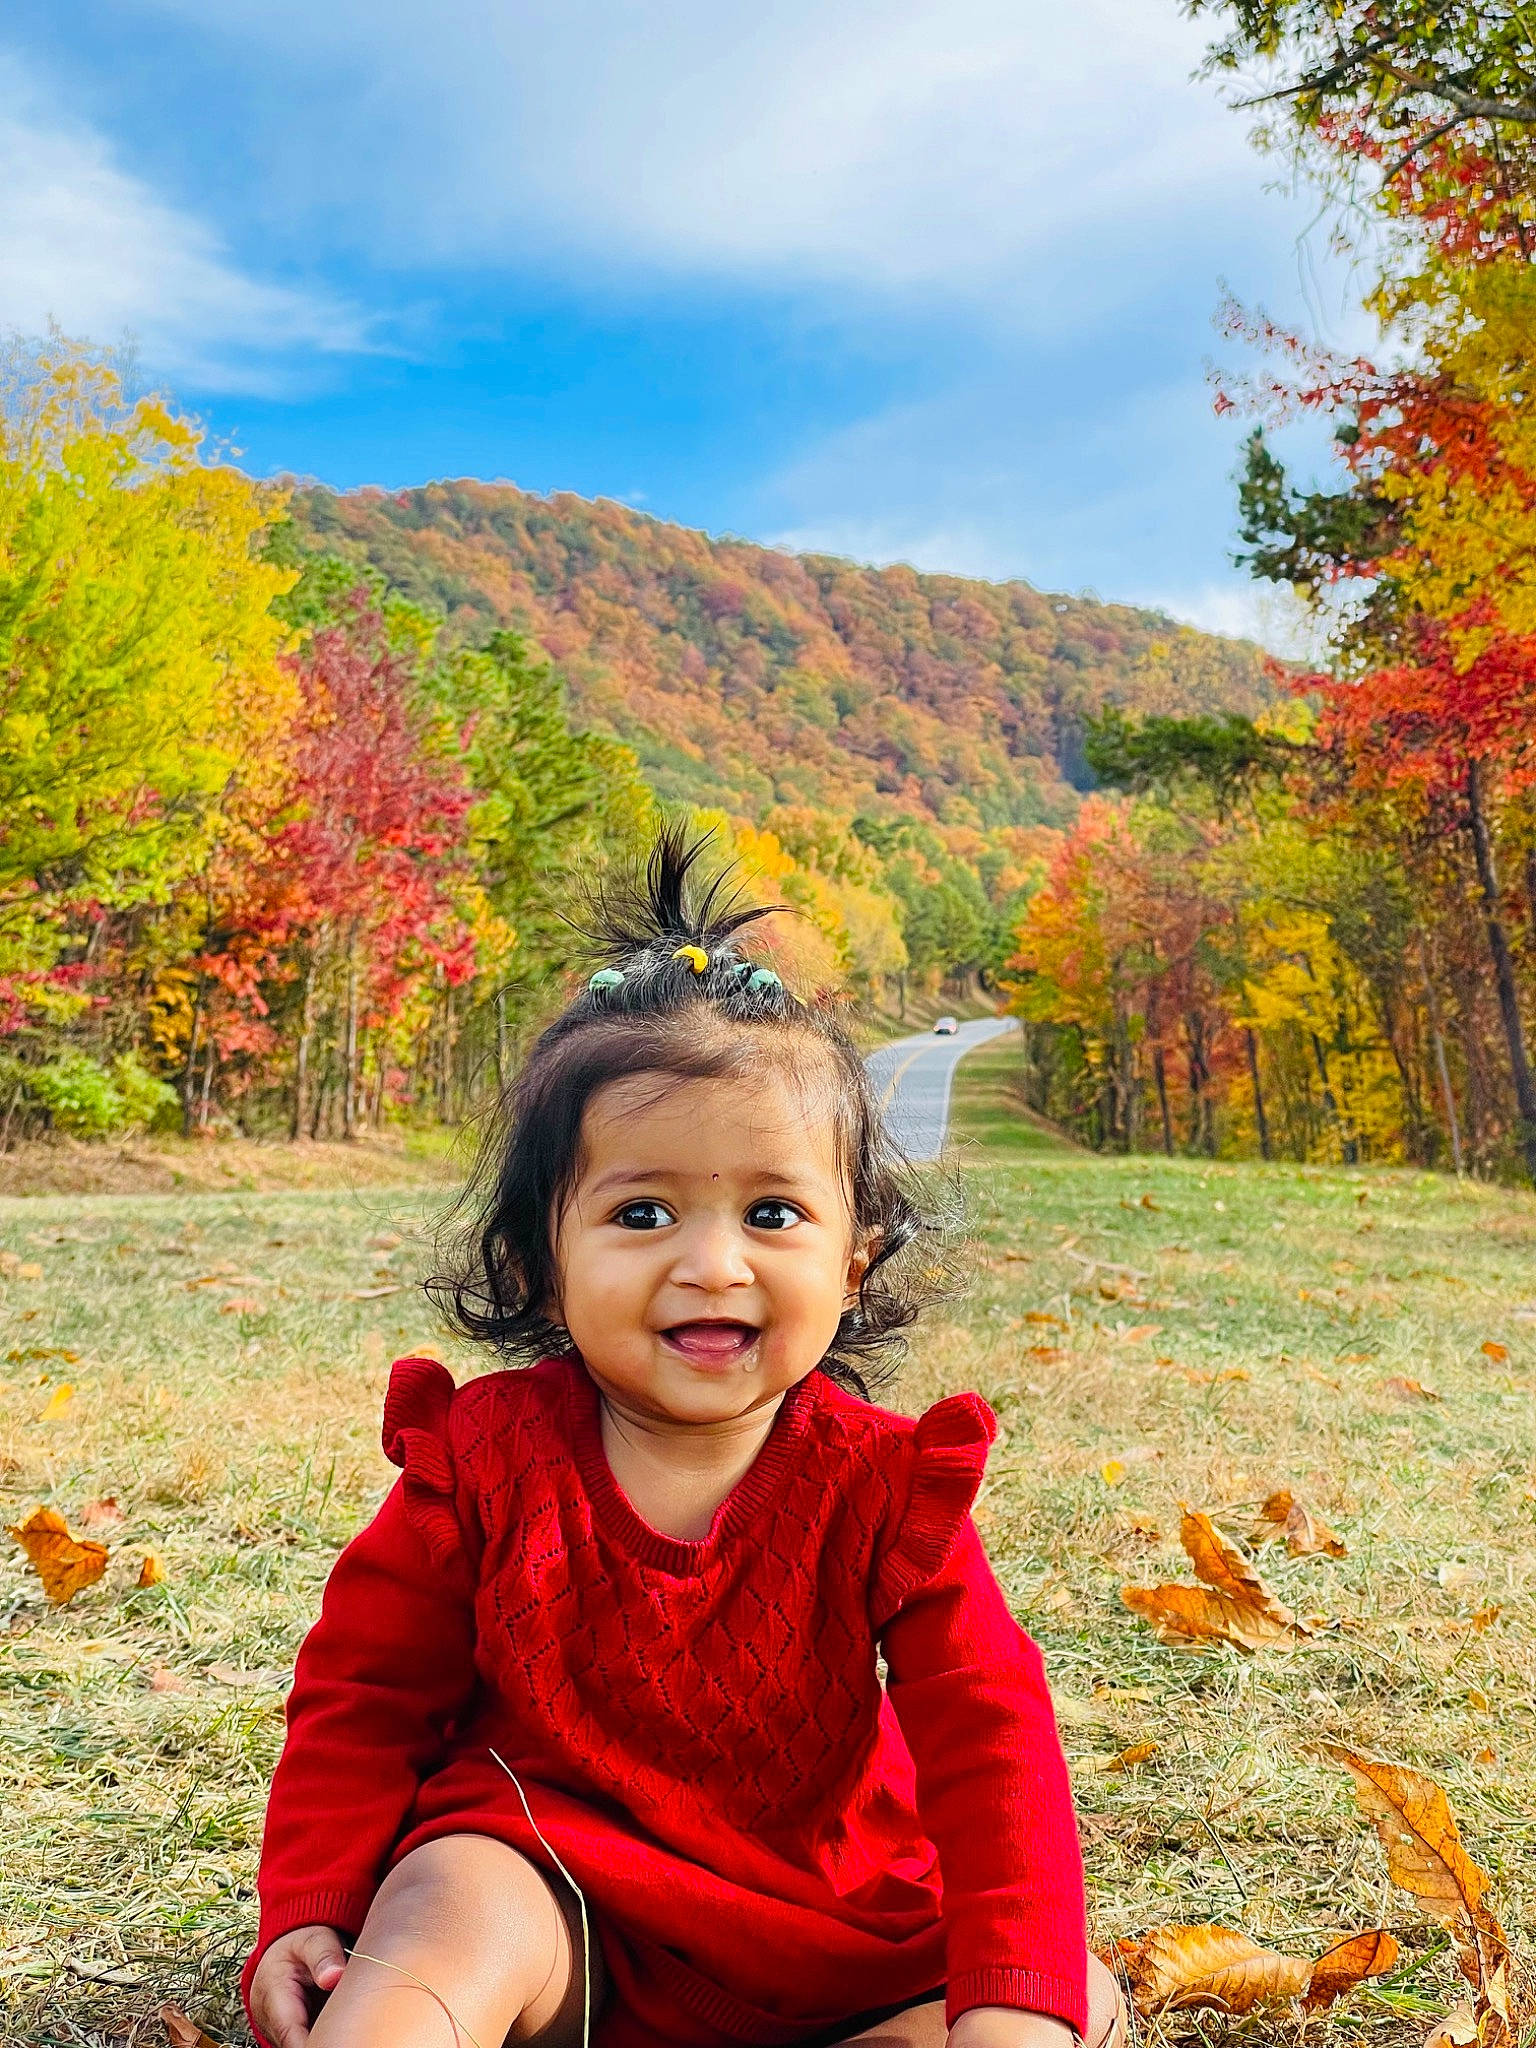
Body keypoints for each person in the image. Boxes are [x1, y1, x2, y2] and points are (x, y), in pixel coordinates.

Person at [244, 825, 1127, 2048]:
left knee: (1062, 1993)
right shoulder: (484, 1460)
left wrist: (1011, 1992)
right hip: (559, 1894)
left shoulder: (883, 1488)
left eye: (773, 1212)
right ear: (537, 1261)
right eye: (643, 1211)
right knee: (449, 1895)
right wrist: (313, 1900)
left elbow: (993, 1735)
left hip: (830, 1929)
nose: (713, 1263)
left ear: (854, 1261)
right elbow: (364, 1691)